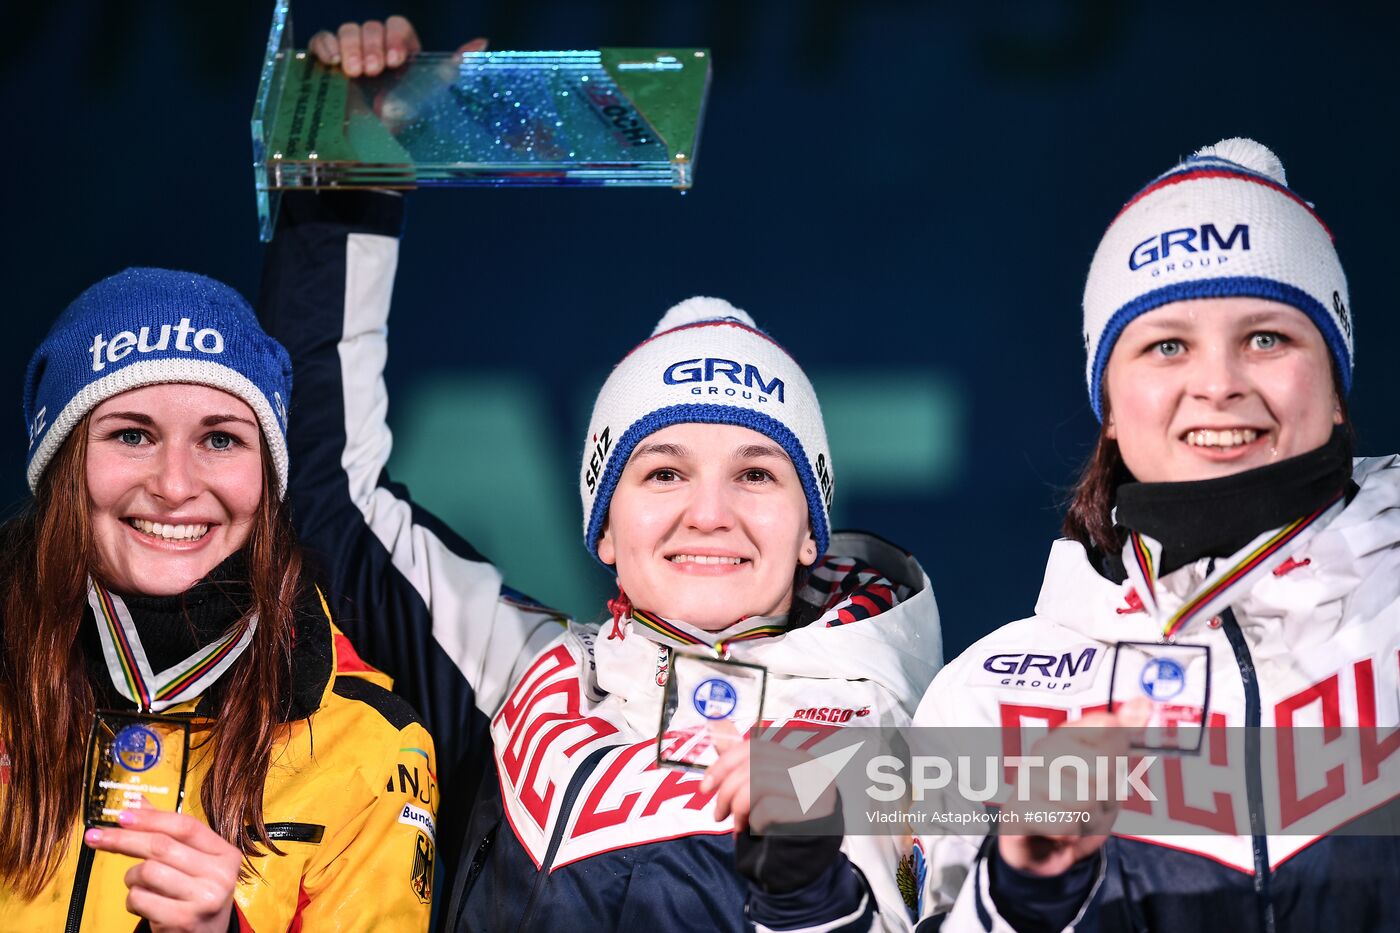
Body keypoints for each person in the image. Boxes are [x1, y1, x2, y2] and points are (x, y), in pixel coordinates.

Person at [259, 18, 945, 930]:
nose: (711, 512)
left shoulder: (917, 735)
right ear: (603, 527)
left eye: (757, 474)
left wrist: (813, 892)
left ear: (814, 526)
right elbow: (323, 494)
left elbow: (1176, 799)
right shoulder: (517, 669)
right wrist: (346, 171)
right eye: (662, 472)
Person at [907, 138, 1400, 930]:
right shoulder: (989, 696)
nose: (1218, 383)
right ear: (1109, 406)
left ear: (1336, 385)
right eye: (1167, 345)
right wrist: (1024, 893)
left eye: (1266, 337)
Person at [0, 268, 439, 931]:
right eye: (132, 434)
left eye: (220, 438)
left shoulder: (370, 744)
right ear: (61, 460)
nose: (175, 485)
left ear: (265, 472)